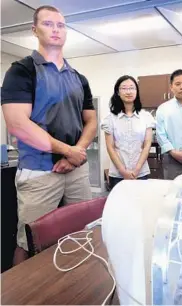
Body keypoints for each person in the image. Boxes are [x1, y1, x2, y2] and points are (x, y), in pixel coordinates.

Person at [1, 5, 97, 263]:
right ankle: (20, 298)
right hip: (39, 172)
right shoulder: (21, 71)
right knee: (29, 243)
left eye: (61, 25)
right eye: (48, 24)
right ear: (34, 30)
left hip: (76, 172)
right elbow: (18, 125)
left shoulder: (78, 77)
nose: (56, 29)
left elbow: (91, 120)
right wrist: (68, 151)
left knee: (83, 234)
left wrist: (77, 153)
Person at [101, 75, 155, 189]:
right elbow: (110, 147)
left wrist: (137, 169)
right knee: (120, 206)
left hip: (141, 173)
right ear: (118, 92)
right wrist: (123, 171)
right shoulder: (110, 119)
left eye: (132, 88)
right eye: (124, 88)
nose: (128, 91)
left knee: (140, 205)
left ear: (137, 91)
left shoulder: (146, 117)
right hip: (117, 174)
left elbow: (147, 145)